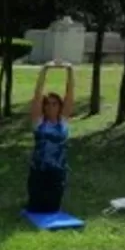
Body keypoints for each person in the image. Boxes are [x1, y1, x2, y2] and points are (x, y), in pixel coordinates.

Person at [26, 60, 75, 213]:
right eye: (47, 103)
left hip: (57, 171)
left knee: (52, 208)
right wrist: (45, 69)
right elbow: (37, 94)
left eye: (55, 103)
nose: (51, 106)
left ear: (60, 107)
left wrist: (70, 70)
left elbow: (70, 93)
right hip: (38, 170)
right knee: (35, 208)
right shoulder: (39, 122)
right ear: (43, 107)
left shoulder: (63, 122)